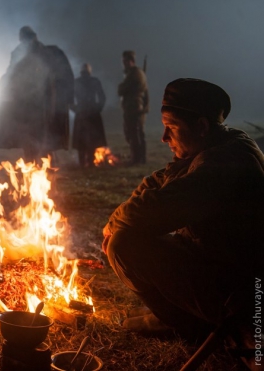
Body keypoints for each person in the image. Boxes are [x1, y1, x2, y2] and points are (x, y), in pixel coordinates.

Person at [103, 78, 262, 369]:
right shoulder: (216, 143)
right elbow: (160, 180)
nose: (164, 137)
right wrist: (117, 217)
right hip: (215, 261)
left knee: (125, 244)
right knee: (125, 233)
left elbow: (155, 210)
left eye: (172, 127)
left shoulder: (226, 163)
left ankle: (207, 325)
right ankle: (180, 317)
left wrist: (117, 223)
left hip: (242, 287)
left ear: (200, 126)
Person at [0, 26, 74, 164]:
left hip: (43, 102)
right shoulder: (19, 53)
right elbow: (11, 75)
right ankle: (33, 168)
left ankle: (44, 168)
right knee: (29, 139)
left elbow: (58, 76)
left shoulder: (48, 53)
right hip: (26, 104)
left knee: (44, 137)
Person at [71, 63, 107, 167]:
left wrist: (76, 109)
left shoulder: (76, 82)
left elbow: (69, 100)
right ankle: (90, 162)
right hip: (92, 113)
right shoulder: (94, 81)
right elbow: (102, 97)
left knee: (81, 139)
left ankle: (82, 162)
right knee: (92, 139)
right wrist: (98, 108)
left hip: (82, 113)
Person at [118, 50, 148, 165]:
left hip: (134, 107)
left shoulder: (135, 74)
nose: (124, 63)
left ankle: (137, 159)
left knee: (135, 134)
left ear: (131, 61)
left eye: (125, 61)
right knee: (135, 133)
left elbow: (121, 90)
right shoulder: (134, 73)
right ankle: (138, 158)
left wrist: (122, 86)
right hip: (134, 107)